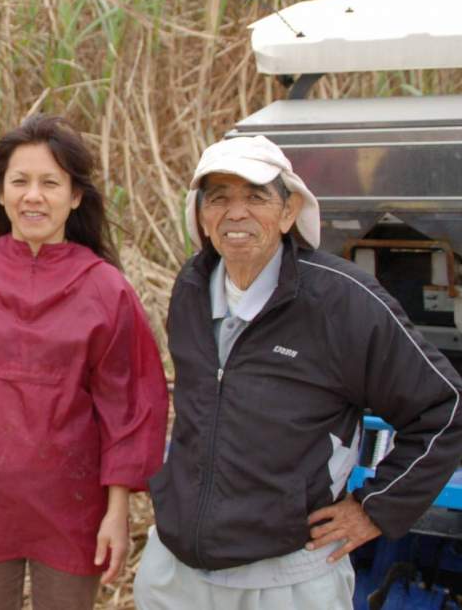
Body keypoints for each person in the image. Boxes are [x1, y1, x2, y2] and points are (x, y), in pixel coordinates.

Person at [135, 135, 462, 609]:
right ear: (201, 215)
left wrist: (375, 508)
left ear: (289, 212)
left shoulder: (342, 301)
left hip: (287, 576)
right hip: (177, 572)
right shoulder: (190, 288)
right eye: (219, 197)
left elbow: (444, 408)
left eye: (255, 197)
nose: (236, 212)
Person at [0, 114, 169, 610]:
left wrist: (117, 511)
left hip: (73, 505)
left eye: (50, 183)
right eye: (19, 181)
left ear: (75, 196)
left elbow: (130, 405)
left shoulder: (107, 289)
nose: (33, 196)